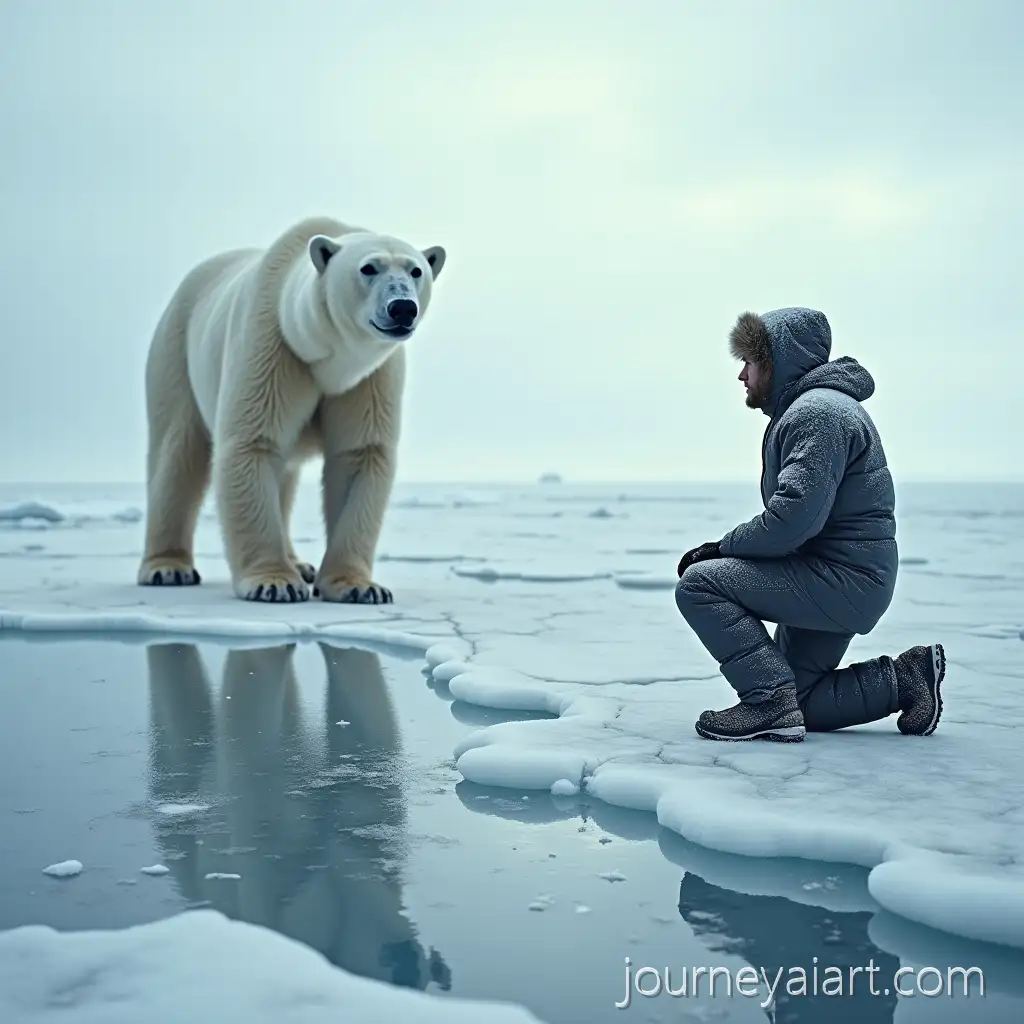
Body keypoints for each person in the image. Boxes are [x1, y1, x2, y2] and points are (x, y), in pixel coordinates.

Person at [674, 307, 944, 742]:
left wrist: (722, 548)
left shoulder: (818, 414)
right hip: (842, 577)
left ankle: (767, 702)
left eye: (750, 362)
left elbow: (792, 519)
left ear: (778, 361)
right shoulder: (815, 409)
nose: (742, 375)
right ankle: (905, 679)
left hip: (840, 579)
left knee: (700, 584)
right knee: (803, 700)